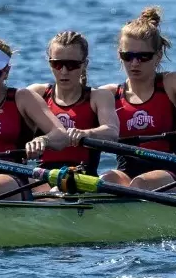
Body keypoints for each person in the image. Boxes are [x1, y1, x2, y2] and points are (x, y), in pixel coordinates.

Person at [100, 7, 176, 191]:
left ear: (158, 56)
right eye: (128, 56)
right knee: (103, 180)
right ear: (120, 56)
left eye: (143, 56)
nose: (135, 63)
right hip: (127, 171)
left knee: (140, 184)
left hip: (175, 172)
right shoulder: (108, 94)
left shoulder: (172, 83)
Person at [0, 38, 69, 200]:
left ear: (6, 72)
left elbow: (61, 135)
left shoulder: (22, 98)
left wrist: (44, 140)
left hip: (10, 176)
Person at [25, 30, 119, 180]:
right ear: (49, 63)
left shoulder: (98, 97)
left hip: (81, 177)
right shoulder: (36, 94)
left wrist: (86, 133)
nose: (63, 71)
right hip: (42, 177)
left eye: (71, 65)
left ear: (84, 64)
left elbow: (112, 132)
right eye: (57, 64)